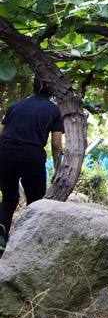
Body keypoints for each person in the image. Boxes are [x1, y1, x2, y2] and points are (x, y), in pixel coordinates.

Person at [0, 77, 64, 258]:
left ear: (34, 88)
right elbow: (57, 145)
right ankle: (28, 245)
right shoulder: (53, 110)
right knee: (35, 202)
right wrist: (58, 168)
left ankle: (0, 237)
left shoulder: (16, 105)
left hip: (7, 153)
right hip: (32, 155)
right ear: (51, 91)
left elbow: (1, 133)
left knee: (9, 199)